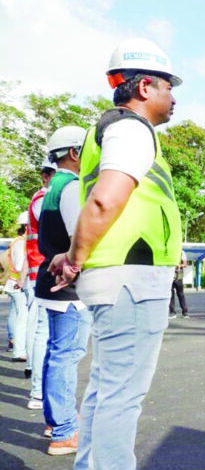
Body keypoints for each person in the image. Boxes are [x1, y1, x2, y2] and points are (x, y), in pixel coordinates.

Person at [46, 38, 184, 469]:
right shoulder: (130, 129)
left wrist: (73, 252)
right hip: (132, 278)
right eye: (167, 86)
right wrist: (75, 257)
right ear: (145, 87)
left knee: (106, 389)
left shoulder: (104, 131)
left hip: (116, 274)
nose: (173, 97)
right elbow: (105, 201)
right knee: (122, 395)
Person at [34, 125, 91, 456]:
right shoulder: (71, 187)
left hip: (51, 280)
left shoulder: (51, 187)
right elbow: (79, 239)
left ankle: (56, 420)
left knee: (57, 354)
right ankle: (65, 430)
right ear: (74, 153)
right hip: (67, 286)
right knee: (67, 355)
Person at [24, 160, 56, 382]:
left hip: (40, 268)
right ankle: (38, 389)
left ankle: (36, 381)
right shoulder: (43, 199)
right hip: (41, 269)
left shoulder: (40, 198)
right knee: (41, 329)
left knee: (37, 326)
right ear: (45, 176)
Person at [5, 212, 29, 362]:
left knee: (15, 314)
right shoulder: (22, 243)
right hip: (18, 283)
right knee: (23, 317)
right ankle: (19, 351)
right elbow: (21, 264)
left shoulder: (17, 241)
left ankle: (13, 341)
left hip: (12, 282)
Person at [169, 250, 189, 319]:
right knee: (170, 295)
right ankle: (172, 312)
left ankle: (185, 312)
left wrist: (180, 266)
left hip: (178, 277)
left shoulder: (181, 252)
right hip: (169, 276)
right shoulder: (168, 252)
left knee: (181, 294)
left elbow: (185, 264)